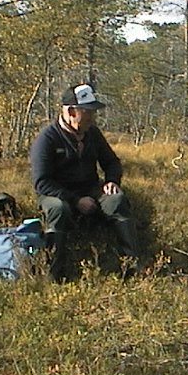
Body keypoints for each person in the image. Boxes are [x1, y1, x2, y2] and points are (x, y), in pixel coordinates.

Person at [29, 83, 141, 281]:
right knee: (58, 209)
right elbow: (42, 182)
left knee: (117, 200)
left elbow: (112, 162)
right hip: (57, 193)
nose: (92, 117)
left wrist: (112, 181)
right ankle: (54, 275)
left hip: (90, 188)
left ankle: (130, 267)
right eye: (87, 112)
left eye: (93, 112)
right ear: (71, 111)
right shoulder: (47, 139)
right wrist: (75, 200)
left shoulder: (92, 134)